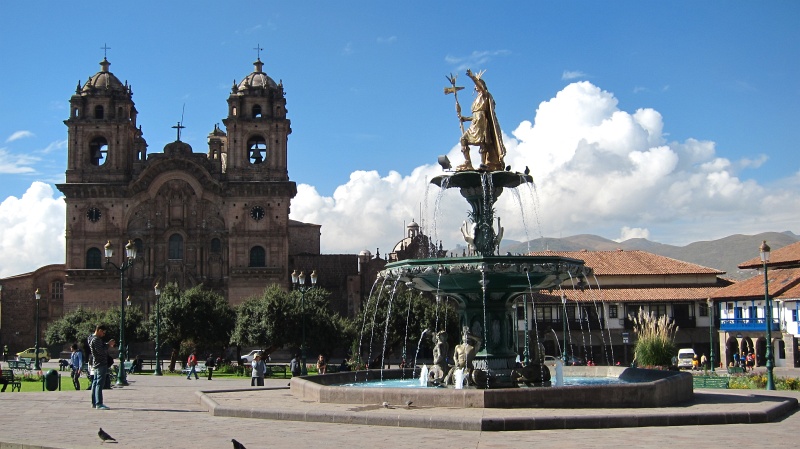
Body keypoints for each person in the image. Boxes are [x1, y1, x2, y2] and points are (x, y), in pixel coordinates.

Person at [456, 69, 506, 172]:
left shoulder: (484, 94)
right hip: (475, 122)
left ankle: (483, 163)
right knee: (463, 139)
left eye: (477, 84)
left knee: (482, 143)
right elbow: (476, 114)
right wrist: (465, 118)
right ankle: (468, 163)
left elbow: (481, 113)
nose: (475, 86)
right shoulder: (476, 99)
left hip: (482, 122)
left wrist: (472, 77)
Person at [88, 324, 110, 409]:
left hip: (96, 363)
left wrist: (105, 344)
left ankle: (94, 402)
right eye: (103, 333)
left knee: (95, 382)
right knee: (99, 384)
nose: (103, 335)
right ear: (99, 330)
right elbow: (101, 351)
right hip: (100, 363)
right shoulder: (96, 340)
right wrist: (107, 346)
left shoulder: (91, 338)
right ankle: (98, 403)